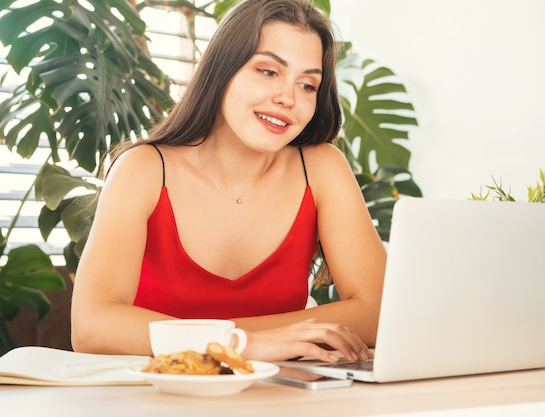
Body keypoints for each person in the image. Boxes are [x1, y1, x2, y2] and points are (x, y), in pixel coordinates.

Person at [71, 0, 386, 363]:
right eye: (268, 71)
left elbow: (378, 312)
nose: (287, 98)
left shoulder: (321, 169)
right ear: (222, 70)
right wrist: (241, 344)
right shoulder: (142, 170)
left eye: (307, 85)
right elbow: (92, 326)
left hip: (278, 397)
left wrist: (229, 338)